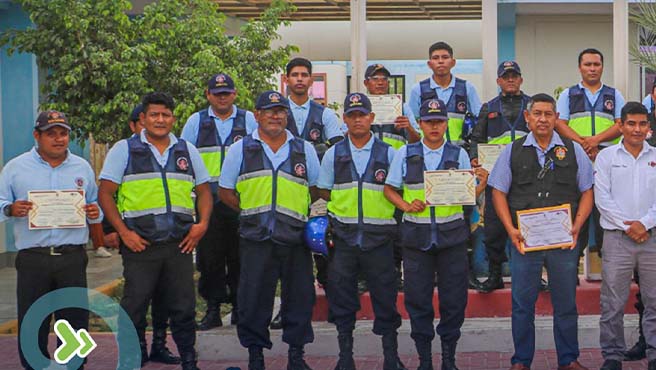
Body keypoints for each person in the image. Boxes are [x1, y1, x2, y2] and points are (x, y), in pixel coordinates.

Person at [99, 92, 211, 370]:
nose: (160, 120)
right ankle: (131, 359)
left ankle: (188, 360)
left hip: (179, 245)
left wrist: (202, 225)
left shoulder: (186, 149)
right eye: (154, 115)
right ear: (143, 118)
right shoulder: (123, 150)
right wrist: (124, 233)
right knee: (134, 307)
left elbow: (204, 190)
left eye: (165, 114)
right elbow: (105, 194)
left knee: (184, 308)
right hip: (140, 245)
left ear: (173, 118)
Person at [488, 93, 594, 370]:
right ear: (528, 117)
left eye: (549, 114)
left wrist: (577, 226)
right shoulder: (512, 150)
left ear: (557, 118)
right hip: (525, 242)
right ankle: (521, 361)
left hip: (563, 242)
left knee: (566, 304)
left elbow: (587, 191)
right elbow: (498, 191)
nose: (543, 119)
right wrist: (510, 229)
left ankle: (569, 359)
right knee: (522, 305)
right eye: (537, 114)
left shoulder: (574, 150)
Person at [218, 90, 320, 370]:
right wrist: (253, 211)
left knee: (299, 297)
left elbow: (313, 188)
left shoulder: (304, 149)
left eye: (280, 111)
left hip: (295, 237)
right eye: (269, 110)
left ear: (287, 115)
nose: (275, 115)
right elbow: (226, 192)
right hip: (255, 237)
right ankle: (255, 355)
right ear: (258, 115)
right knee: (253, 299)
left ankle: (296, 356)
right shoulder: (241, 149)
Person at [0, 110, 101, 370]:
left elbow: (95, 204)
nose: (58, 139)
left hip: (72, 257)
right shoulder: (15, 168)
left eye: (63, 133)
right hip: (34, 259)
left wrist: (94, 212)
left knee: (75, 321)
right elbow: (0, 203)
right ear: (37, 136)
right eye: (51, 134)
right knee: (34, 323)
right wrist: (10, 209)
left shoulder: (82, 167)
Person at [318, 92, 406, 370]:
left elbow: (398, 190)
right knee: (342, 301)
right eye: (352, 115)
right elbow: (323, 189)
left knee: (385, 301)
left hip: (380, 240)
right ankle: (346, 358)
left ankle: (391, 358)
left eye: (362, 115)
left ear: (372, 118)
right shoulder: (334, 153)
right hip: (344, 239)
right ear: (344, 120)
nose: (357, 120)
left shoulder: (389, 152)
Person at [384, 98, 472, 370]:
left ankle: (449, 359)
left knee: (454, 301)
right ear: (420, 124)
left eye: (439, 121)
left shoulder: (459, 154)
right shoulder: (405, 152)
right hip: (416, 237)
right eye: (429, 121)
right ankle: (424, 360)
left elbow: (469, 194)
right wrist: (406, 205)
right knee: (418, 300)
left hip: (452, 237)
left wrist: (479, 183)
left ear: (446, 124)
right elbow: (389, 189)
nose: (434, 126)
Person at [181, 73, 257, 330]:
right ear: (208, 95)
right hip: (208, 202)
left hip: (239, 201)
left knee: (241, 257)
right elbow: (183, 159)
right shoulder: (196, 122)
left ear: (235, 94)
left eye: (226, 93)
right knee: (209, 259)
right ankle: (213, 309)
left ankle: (239, 307)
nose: (222, 97)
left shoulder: (249, 120)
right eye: (217, 93)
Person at [273, 57, 344, 330]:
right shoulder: (276, 112)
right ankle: (287, 310)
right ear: (286, 79)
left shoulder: (324, 114)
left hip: (317, 193)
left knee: (324, 247)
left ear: (311, 80)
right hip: (287, 195)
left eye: (304, 75)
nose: (300, 79)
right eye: (295, 75)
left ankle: (335, 305)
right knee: (288, 256)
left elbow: (337, 148)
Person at [595, 102, 656, 370]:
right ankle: (612, 355)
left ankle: (654, 353)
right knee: (612, 302)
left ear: (649, 128)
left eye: (642, 124)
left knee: (654, 301)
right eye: (631, 123)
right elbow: (602, 198)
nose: (637, 129)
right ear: (620, 125)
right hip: (617, 239)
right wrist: (629, 226)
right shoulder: (607, 157)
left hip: (651, 238)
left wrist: (644, 224)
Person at [555, 48, 625, 257]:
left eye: (596, 64)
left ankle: (609, 266)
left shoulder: (614, 94)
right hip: (576, 160)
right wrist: (584, 144)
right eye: (588, 64)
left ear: (602, 67)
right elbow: (560, 123)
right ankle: (573, 264)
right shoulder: (568, 94)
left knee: (606, 212)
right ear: (580, 68)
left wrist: (596, 141)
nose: (592, 69)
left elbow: (620, 124)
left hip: (607, 161)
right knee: (577, 212)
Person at [470, 61, 531, 293]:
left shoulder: (531, 105)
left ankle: (535, 276)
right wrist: (476, 158)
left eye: (514, 76)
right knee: (494, 228)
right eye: (506, 77)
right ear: (498, 81)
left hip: (527, 178)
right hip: (496, 179)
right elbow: (476, 138)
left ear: (521, 79)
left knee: (529, 225)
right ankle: (495, 274)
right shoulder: (489, 107)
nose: (510, 80)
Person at [363, 63, 421, 291]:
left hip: (396, 176)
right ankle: (365, 275)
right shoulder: (359, 108)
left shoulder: (402, 107)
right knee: (368, 225)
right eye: (375, 78)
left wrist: (408, 128)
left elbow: (418, 142)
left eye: (384, 79)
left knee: (396, 227)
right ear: (366, 83)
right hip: (366, 175)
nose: (380, 82)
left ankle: (396, 273)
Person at [407, 41, 482, 148]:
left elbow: (480, 120)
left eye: (445, 57)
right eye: (436, 58)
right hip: (428, 151)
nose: (441, 61)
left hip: (460, 151)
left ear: (453, 62)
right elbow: (413, 123)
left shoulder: (467, 88)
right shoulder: (418, 89)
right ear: (429, 64)